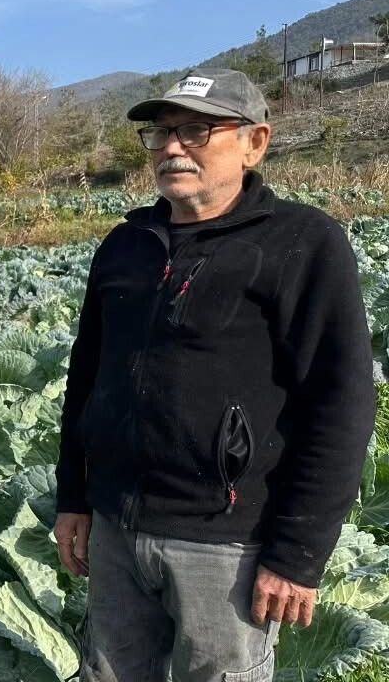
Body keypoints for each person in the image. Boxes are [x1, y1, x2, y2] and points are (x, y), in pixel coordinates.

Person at [55, 68, 375, 681]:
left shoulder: (302, 243)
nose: (173, 147)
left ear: (255, 142)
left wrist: (297, 555)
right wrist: (75, 495)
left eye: (198, 130)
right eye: (162, 132)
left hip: (226, 543)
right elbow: (86, 379)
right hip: (118, 532)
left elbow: (340, 408)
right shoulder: (125, 245)